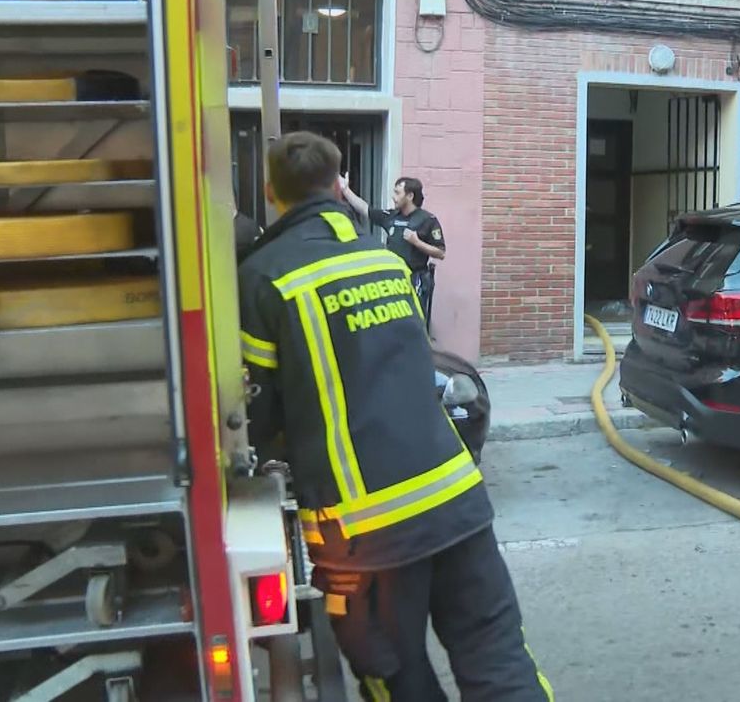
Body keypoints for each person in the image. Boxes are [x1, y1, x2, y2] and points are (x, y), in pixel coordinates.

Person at [237, 131, 553, 702]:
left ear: (270, 192)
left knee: (397, 680)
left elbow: (254, 415)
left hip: (368, 534)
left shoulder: (263, 277)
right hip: (456, 499)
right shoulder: (385, 261)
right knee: (500, 665)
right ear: (339, 186)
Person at [338, 174, 445, 330]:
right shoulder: (391, 216)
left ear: (410, 196)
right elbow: (365, 209)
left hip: (414, 280)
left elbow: (441, 253)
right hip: (393, 281)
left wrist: (417, 242)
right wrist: (346, 190)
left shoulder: (427, 220)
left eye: (397, 193)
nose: (393, 197)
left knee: (414, 323)